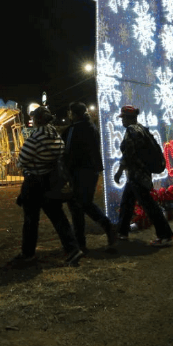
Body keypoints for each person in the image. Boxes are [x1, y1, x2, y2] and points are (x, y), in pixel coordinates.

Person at [14, 106, 83, 266]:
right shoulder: (57, 138)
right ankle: (73, 249)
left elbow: (21, 161)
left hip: (34, 182)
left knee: (31, 219)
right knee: (59, 217)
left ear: (37, 120)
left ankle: (28, 253)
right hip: (51, 182)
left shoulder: (34, 139)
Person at [113, 105, 173, 248]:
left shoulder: (131, 130)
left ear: (129, 118)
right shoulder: (141, 128)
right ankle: (122, 232)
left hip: (137, 175)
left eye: (123, 118)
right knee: (127, 202)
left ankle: (166, 236)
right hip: (140, 174)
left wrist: (119, 171)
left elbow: (129, 153)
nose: (122, 121)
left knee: (149, 205)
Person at [63, 102, 117, 252]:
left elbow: (68, 153)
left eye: (70, 113)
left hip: (80, 171)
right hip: (90, 170)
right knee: (80, 205)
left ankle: (106, 228)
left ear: (73, 114)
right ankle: (80, 243)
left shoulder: (74, 129)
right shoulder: (90, 126)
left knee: (81, 204)